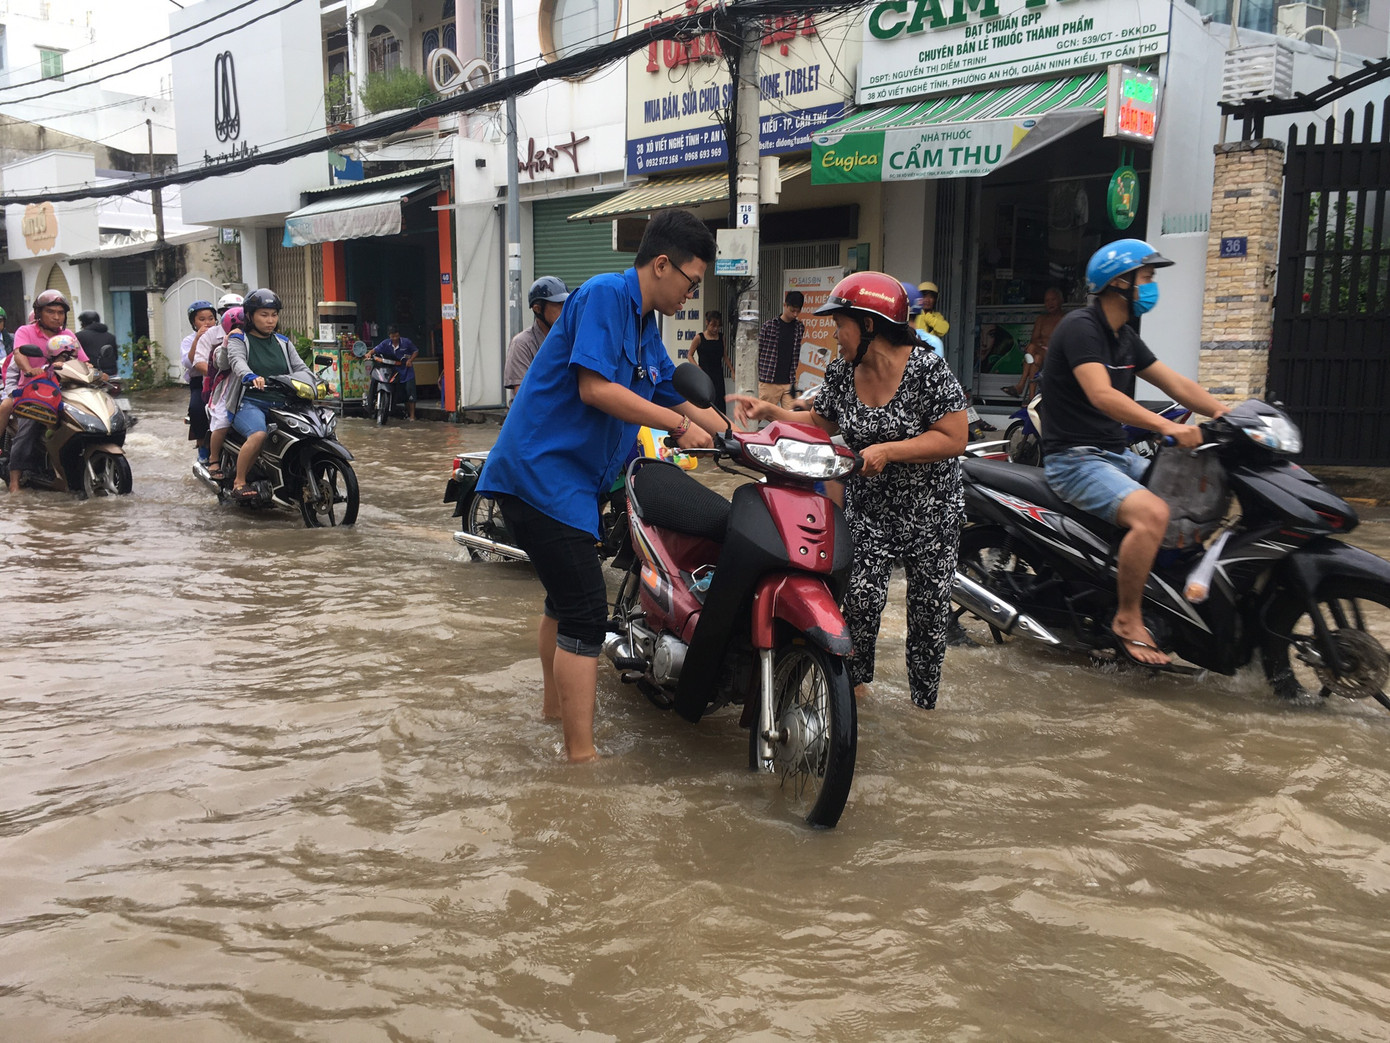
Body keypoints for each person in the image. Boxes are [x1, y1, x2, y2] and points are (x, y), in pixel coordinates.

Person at [476, 209, 724, 763]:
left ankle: (553, 714)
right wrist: (679, 427)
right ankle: (580, 762)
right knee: (587, 611)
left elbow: (671, 390)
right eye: (691, 282)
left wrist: (737, 436)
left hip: (565, 483)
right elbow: (596, 389)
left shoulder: (644, 323)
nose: (690, 295)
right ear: (662, 265)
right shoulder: (606, 295)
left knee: (563, 601)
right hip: (541, 475)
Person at [731, 272, 969, 710]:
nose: (835, 335)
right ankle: (852, 704)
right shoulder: (842, 372)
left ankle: (922, 711)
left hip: (932, 513)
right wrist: (771, 412)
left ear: (869, 325)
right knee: (858, 601)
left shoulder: (927, 369)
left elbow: (955, 437)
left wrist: (890, 451)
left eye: (840, 324)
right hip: (870, 510)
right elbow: (821, 422)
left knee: (928, 618)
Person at [1041, 238, 1230, 669]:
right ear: (1119, 283)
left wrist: (1227, 413)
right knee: (1153, 514)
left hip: (1115, 454)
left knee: (1190, 500)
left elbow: (1176, 383)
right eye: (1147, 277)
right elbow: (1102, 394)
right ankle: (1127, 617)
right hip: (1074, 459)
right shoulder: (1081, 327)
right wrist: (1166, 425)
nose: (1152, 286)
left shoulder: (1124, 336)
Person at [224, 288, 319, 501]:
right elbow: (237, 362)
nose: (270, 320)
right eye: (264, 315)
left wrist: (318, 382)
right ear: (250, 316)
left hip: (283, 404)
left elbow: (301, 368)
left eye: (274, 315)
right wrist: (249, 376)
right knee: (258, 435)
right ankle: (239, 482)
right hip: (249, 402)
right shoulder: (239, 339)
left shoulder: (283, 342)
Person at [6, 291, 93, 493]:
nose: (56, 317)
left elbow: (83, 361)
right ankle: (14, 481)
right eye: (51, 312)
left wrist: (93, 371)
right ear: (39, 313)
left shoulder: (68, 335)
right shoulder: (25, 331)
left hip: (66, 390)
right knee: (27, 429)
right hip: (34, 391)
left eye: (60, 313)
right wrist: (29, 369)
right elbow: (19, 354)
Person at [194, 294, 244, 481]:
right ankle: (212, 458)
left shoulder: (254, 333)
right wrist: (216, 373)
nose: (234, 316)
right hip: (222, 387)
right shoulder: (212, 336)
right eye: (228, 312)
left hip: (249, 387)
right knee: (221, 420)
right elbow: (202, 362)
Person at [504, 277, 570, 394]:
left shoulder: (570, 339)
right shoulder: (522, 344)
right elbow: (523, 394)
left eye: (566, 304)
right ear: (538, 309)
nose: (565, 311)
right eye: (558, 305)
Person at [1004, 287, 1064, 398]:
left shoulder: (1065, 319)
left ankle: (1021, 385)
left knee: (1032, 348)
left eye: (1053, 299)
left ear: (1060, 300)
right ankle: (1031, 396)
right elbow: (1034, 339)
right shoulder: (1041, 319)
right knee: (1036, 358)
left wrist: (1043, 343)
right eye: (1047, 301)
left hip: (1056, 354)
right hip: (1041, 352)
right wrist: (1041, 344)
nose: (1050, 303)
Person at [181, 301, 217, 463]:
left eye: (211, 318)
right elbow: (189, 363)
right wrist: (198, 339)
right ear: (193, 323)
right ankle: (202, 445)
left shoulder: (221, 336)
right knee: (197, 408)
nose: (207, 323)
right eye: (202, 319)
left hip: (222, 380)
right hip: (199, 382)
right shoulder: (188, 340)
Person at [757, 290, 803, 407]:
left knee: (793, 414)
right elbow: (758, 350)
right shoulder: (769, 326)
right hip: (769, 380)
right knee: (762, 413)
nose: (795, 314)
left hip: (789, 381)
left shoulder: (799, 327)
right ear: (785, 305)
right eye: (792, 310)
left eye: (798, 311)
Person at [371, 325, 419, 420]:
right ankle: (405, 412)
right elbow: (375, 350)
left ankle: (412, 416)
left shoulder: (406, 342)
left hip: (407, 371)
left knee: (410, 392)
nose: (395, 338)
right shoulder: (385, 343)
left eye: (396, 336)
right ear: (389, 336)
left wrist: (410, 360)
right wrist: (369, 354)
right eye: (393, 336)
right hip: (394, 372)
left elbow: (415, 351)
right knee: (401, 393)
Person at [687, 309, 726, 408]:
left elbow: (725, 355)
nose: (715, 329)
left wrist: (733, 371)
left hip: (718, 374)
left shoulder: (721, 337)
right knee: (706, 400)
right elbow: (690, 355)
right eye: (713, 326)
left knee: (719, 400)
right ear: (707, 323)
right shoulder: (699, 338)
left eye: (718, 326)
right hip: (704, 373)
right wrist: (697, 368)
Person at [75, 311, 120, 377]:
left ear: (83, 322)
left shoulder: (79, 336)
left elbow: (76, 356)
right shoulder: (111, 336)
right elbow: (115, 356)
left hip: (91, 374)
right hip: (111, 374)